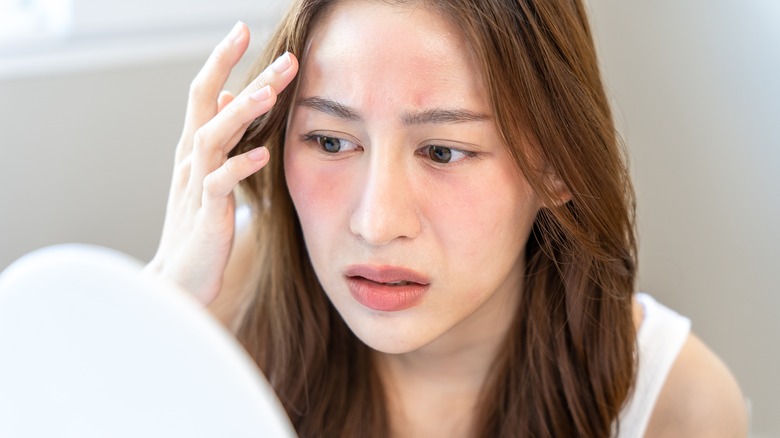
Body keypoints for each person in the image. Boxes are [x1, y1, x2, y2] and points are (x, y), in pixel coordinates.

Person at [144, 0, 748, 436]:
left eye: (442, 152)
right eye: (330, 142)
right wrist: (157, 307)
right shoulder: (218, 306)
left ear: (558, 166)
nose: (376, 224)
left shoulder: (677, 405)